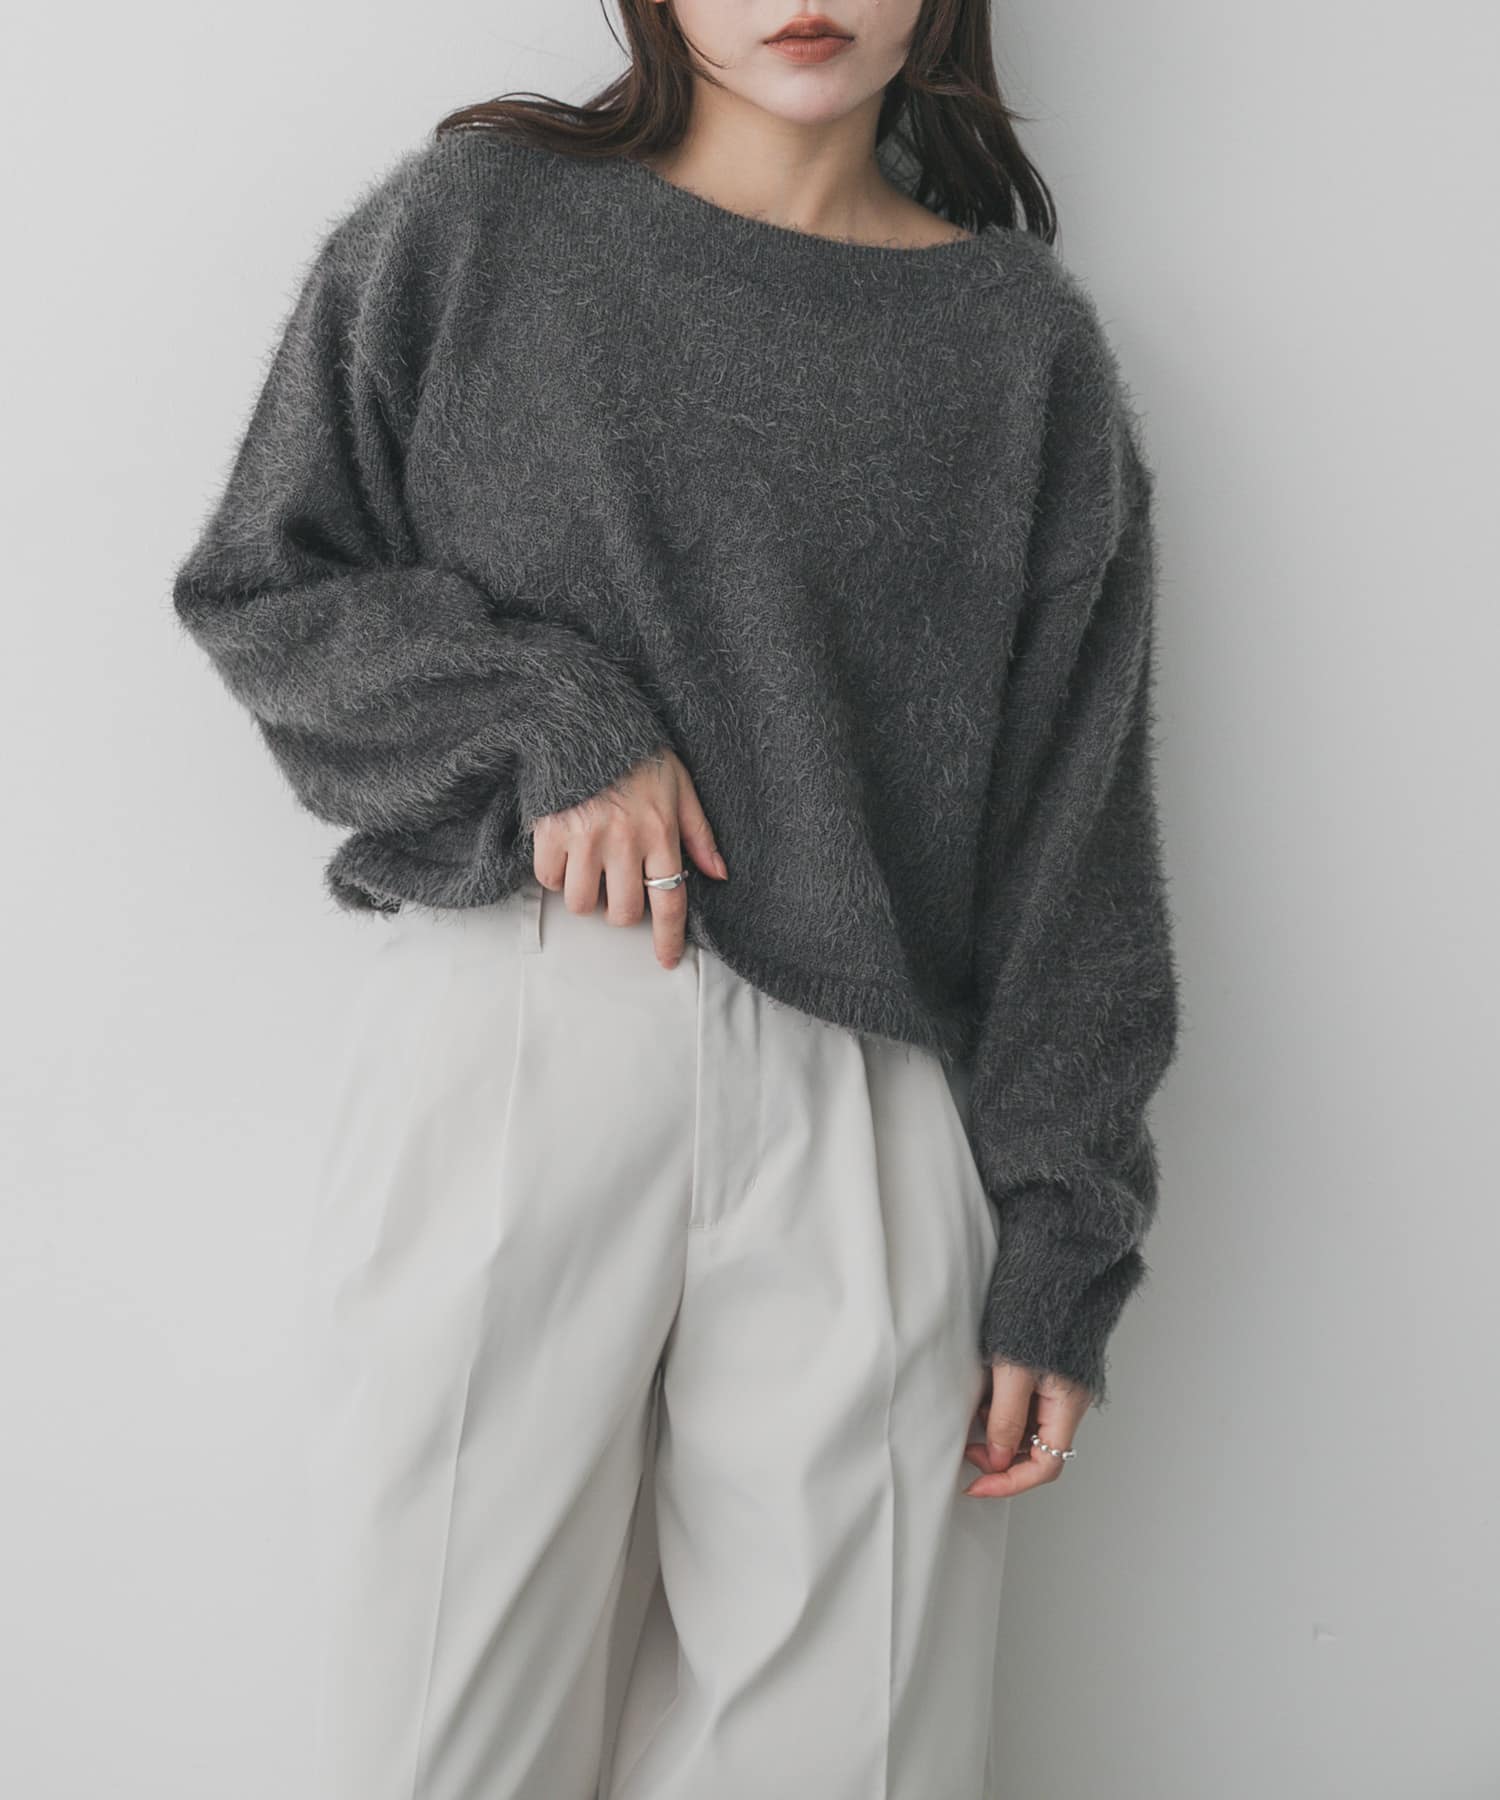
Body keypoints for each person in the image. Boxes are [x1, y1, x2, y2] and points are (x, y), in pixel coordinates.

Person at [170, 3, 1182, 1795]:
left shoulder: (1019, 347)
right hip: (527, 1025)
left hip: (870, 1089)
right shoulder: (477, 226)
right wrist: (546, 717)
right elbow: (265, 581)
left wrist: (1064, 1233)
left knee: (853, 1754)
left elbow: (1072, 827)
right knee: (444, 1738)